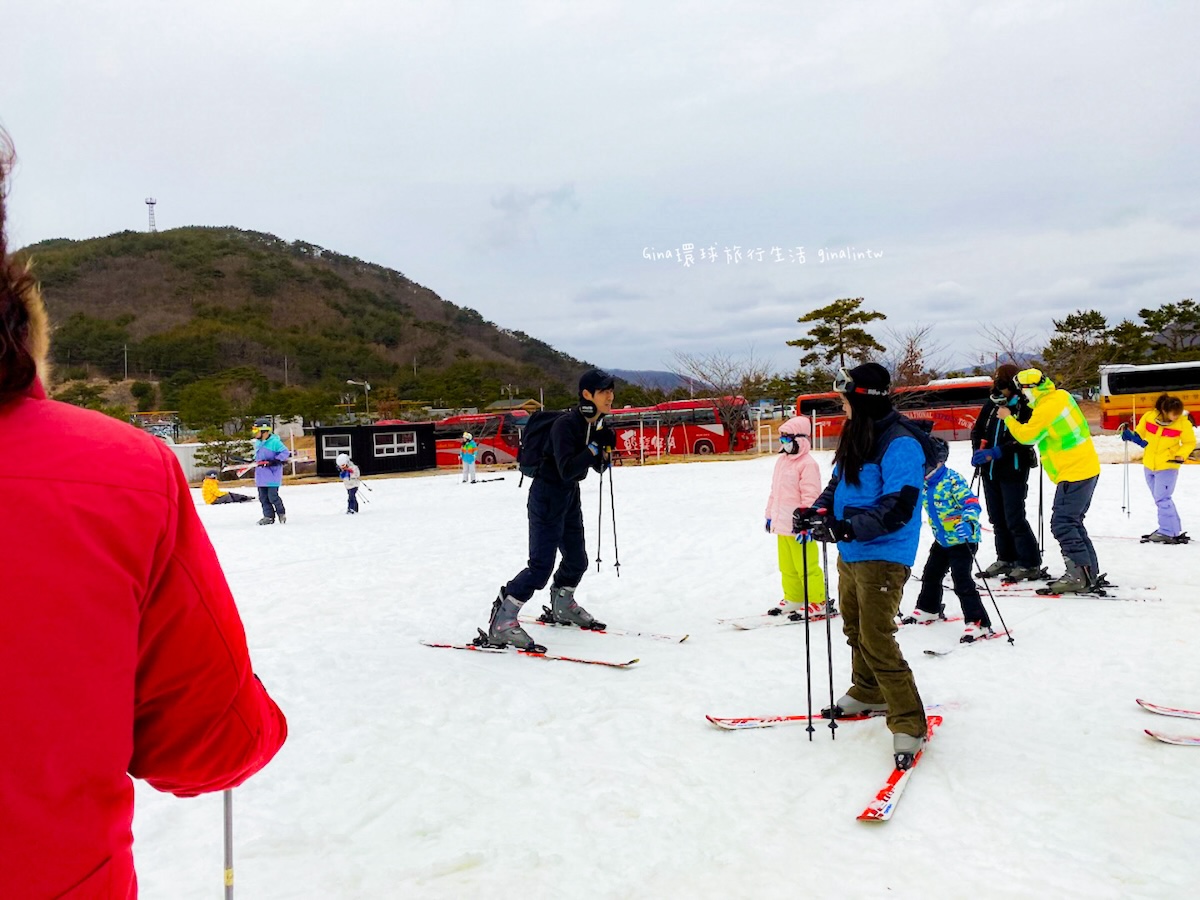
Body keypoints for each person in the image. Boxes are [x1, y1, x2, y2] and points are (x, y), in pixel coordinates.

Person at [0, 132, 287, 898]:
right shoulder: (118, 474)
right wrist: (253, 713)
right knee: (267, 496)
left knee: (272, 495)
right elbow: (207, 742)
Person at [793, 362, 934, 769]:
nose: (841, 404)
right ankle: (869, 689)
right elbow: (839, 484)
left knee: (876, 635)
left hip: (884, 555)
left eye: (845, 397)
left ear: (863, 397)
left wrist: (843, 527)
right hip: (852, 552)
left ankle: (908, 719)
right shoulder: (858, 433)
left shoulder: (901, 443)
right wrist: (816, 511)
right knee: (854, 626)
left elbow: (898, 508)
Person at [485, 368, 618, 649]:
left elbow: (595, 467)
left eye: (610, 391)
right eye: (604, 391)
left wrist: (604, 450)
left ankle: (562, 605)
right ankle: (502, 620)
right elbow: (567, 468)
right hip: (547, 495)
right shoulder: (566, 425)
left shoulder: (593, 424)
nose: (610, 396)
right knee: (540, 567)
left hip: (569, 496)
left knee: (577, 560)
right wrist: (595, 447)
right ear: (587, 395)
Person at [997, 368, 1101, 592]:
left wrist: (1008, 419)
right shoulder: (1060, 396)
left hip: (1074, 471)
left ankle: (1078, 575)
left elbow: (1027, 437)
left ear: (1033, 388)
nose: (1023, 396)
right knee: (1073, 521)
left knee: (1062, 523)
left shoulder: (1047, 408)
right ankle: (1087, 571)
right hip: (1085, 467)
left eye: (1024, 391)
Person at [901, 438, 993, 642]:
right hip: (942, 539)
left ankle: (978, 622)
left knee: (962, 581)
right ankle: (929, 608)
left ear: (939, 462)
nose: (922, 468)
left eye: (926, 464)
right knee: (931, 574)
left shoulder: (952, 480)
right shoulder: (923, 483)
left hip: (963, 539)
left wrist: (968, 522)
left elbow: (971, 502)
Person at [970, 363, 1043, 580]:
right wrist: (978, 451)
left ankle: (1029, 562)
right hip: (989, 471)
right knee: (997, 518)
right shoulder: (991, 404)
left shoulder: (1024, 406)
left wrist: (999, 451)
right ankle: (1006, 558)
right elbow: (978, 430)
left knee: (1014, 518)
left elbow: (1027, 438)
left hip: (1013, 468)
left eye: (1002, 381)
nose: (998, 385)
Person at [764, 416, 826, 617]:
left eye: (786, 438)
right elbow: (775, 491)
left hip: (800, 526)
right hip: (782, 524)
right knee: (787, 566)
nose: (783, 443)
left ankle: (818, 600)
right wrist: (770, 515)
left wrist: (807, 521)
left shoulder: (807, 464)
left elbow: (811, 494)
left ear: (799, 439)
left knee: (806, 565)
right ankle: (794, 596)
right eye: (781, 439)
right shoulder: (782, 462)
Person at [1120, 393, 1195, 544]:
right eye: (1174, 414)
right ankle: (1172, 528)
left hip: (1168, 465)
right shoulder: (1149, 417)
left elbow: (1189, 442)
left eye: (1179, 414)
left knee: (1162, 498)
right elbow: (1140, 435)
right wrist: (1129, 435)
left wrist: (1181, 455)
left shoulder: (1183, 423)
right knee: (1160, 498)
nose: (1177, 417)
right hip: (1149, 464)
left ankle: (1166, 531)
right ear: (1165, 411)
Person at [252, 417, 290, 524]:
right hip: (261, 475)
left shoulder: (274, 442)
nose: (254, 433)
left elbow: (285, 453)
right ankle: (268, 516)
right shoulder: (258, 443)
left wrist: (275, 461)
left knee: (272, 497)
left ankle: (281, 513)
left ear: (264, 431)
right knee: (263, 498)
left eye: (256, 431)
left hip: (272, 475)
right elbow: (257, 457)